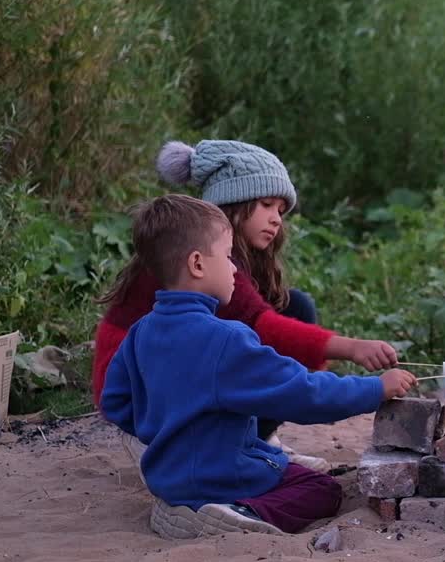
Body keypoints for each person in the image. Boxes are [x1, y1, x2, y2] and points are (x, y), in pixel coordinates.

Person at [100, 194, 418, 537]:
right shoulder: (225, 339)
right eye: (227, 256)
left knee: (269, 458)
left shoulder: (141, 331)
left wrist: (164, 433)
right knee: (321, 489)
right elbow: (302, 393)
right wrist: (376, 388)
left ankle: (187, 507)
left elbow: (115, 402)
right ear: (197, 264)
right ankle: (239, 512)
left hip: (167, 477)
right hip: (222, 476)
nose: (235, 267)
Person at [92, 139, 398, 471]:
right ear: (232, 202)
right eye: (267, 204)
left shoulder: (217, 255)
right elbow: (261, 326)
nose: (277, 219)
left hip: (168, 371)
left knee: (294, 306)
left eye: (281, 210)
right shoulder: (200, 257)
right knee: (264, 331)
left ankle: (257, 439)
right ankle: (209, 448)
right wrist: (351, 348)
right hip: (141, 390)